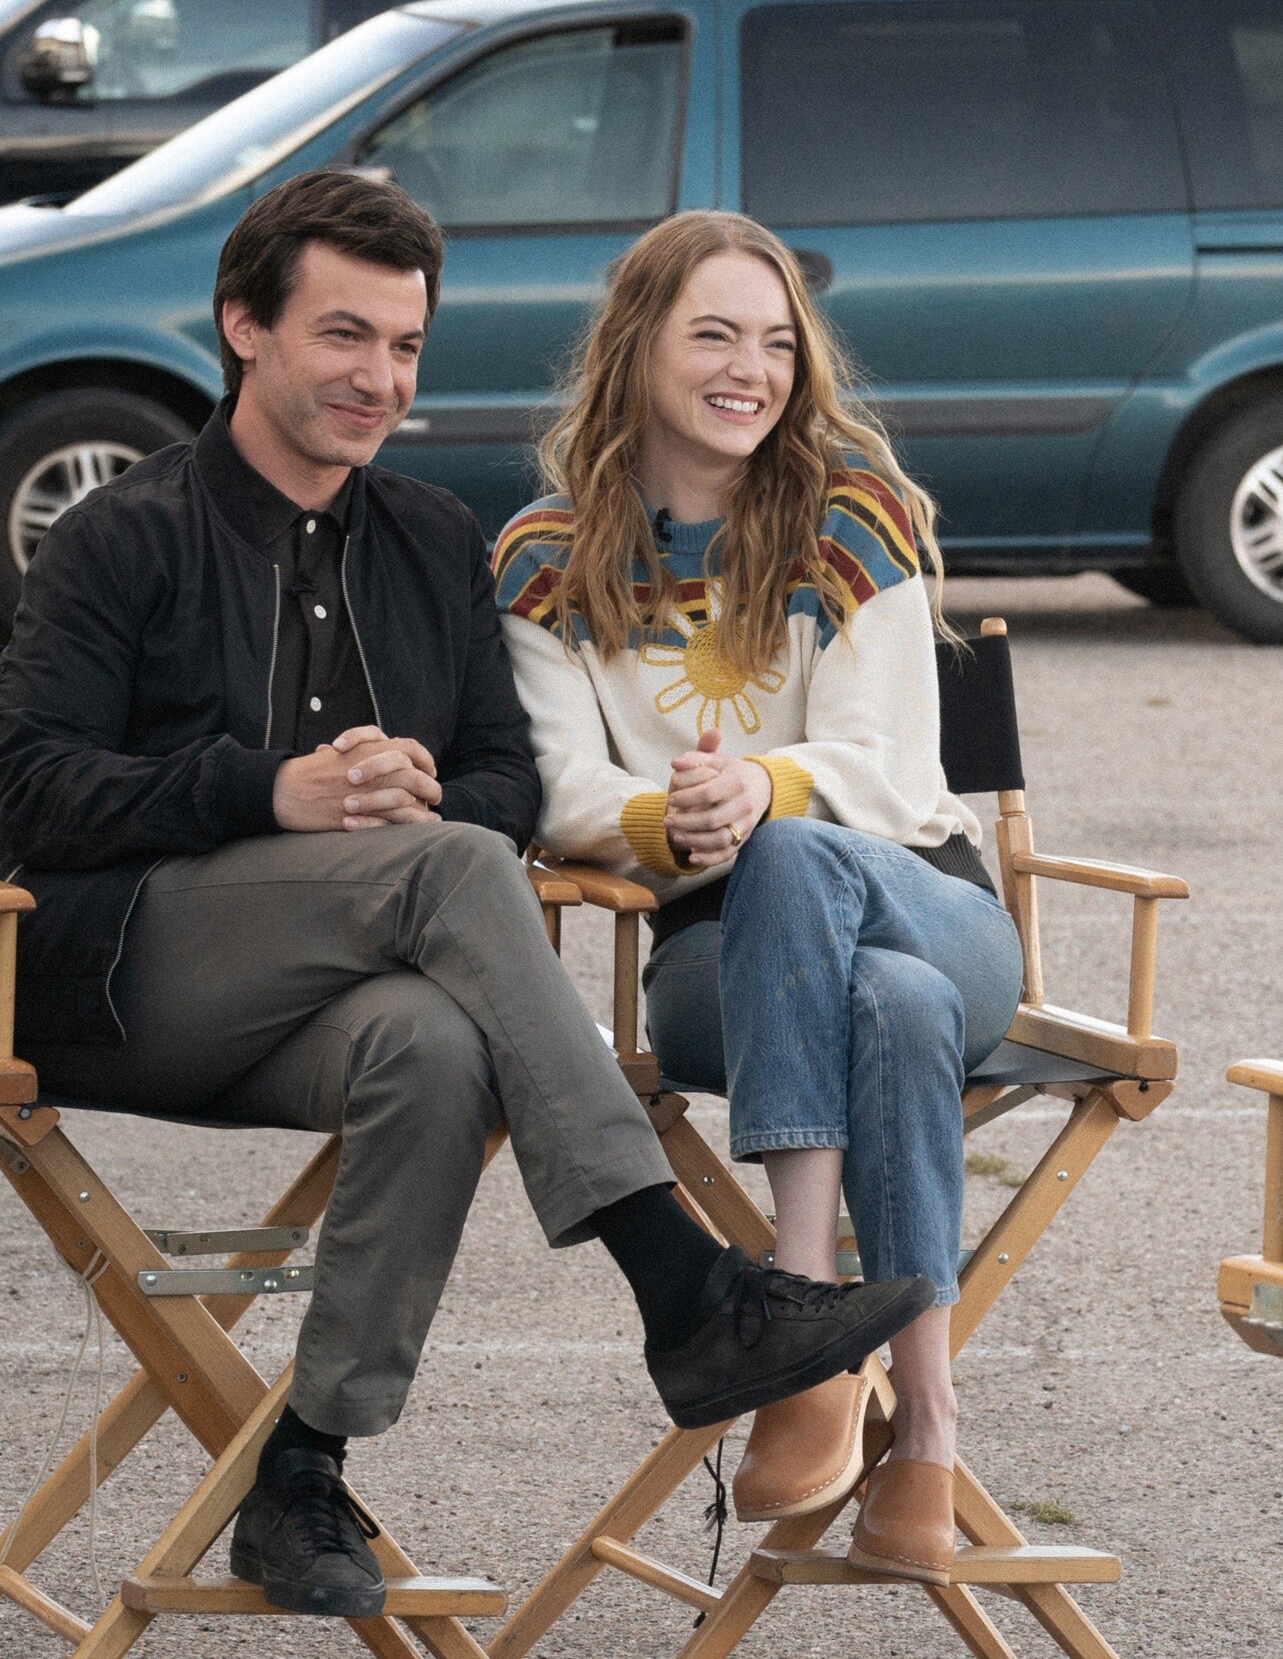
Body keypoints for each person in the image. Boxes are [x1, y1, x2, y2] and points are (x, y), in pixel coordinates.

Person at [0, 172, 929, 1620]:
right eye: (342, 335)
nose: (379, 377)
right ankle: (682, 1280)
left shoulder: (430, 540)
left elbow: (506, 788)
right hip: (127, 975)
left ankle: (302, 1467)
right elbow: (30, 784)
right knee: (453, 876)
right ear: (244, 325)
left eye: (405, 346)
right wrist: (270, 790)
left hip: (347, 992)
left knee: (434, 1049)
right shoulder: (124, 531)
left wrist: (419, 791)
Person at [492, 210, 1020, 1586]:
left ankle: (800, 1322)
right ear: (636, 346)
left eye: (777, 343)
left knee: (800, 863)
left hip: (922, 897)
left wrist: (756, 795)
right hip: (713, 953)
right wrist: (668, 815)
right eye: (715, 335)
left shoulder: (852, 517)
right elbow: (555, 783)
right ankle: (927, 1432)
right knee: (888, 1006)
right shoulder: (548, 556)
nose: (752, 370)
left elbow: (889, 774)